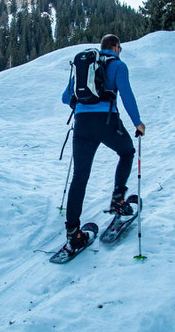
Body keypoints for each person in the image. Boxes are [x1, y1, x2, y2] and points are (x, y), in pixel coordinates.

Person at [61, 34, 146, 253]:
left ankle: (73, 234)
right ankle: (118, 200)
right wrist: (138, 123)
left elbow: (65, 97)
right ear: (116, 47)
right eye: (120, 48)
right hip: (106, 122)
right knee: (127, 152)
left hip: (81, 125)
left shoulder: (87, 66)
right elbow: (126, 95)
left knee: (79, 177)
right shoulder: (118, 65)